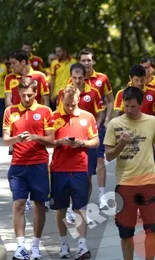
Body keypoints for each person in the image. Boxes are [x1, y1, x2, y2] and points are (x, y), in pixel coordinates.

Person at [104, 86, 155, 260]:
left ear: (140, 104)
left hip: (149, 182)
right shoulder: (115, 124)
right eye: (126, 106)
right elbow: (108, 156)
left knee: (153, 228)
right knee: (126, 232)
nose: (129, 110)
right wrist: (122, 144)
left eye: (133, 106)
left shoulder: (152, 122)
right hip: (125, 184)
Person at [2, 77, 54, 260]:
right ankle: (20, 247)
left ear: (36, 93)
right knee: (19, 204)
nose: (26, 98)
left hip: (39, 164)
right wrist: (17, 138)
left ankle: (35, 245)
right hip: (17, 166)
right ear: (18, 93)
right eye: (23, 95)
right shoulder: (10, 111)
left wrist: (34, 137)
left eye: (30, 95)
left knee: (39, 205)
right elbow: (6, 139)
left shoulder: (45, 111)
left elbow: (51, 140)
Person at [49, 84, 100, 260]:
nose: (69, 108)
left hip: (79, 168)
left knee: (80, 208)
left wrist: (82, 143)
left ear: (78, 100)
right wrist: (59, 141)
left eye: (72, 104)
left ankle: (82, 245)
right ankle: (63, 244)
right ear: (62, 100)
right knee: (60, 209)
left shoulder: (88, 117)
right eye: (67, 104)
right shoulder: (54, 116)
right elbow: (46, 142)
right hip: (59, 169)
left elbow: (96, 141)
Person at [57, 63, 105, 224]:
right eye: (74, 78)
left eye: (80, 78)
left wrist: (90, 134)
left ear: (86, 77)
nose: (77, 81)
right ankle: (71, 209)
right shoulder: (64, 93)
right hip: (67, 143)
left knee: (87, 177)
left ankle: (82, 207)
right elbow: (58, 115)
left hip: (86, 140)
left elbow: (100, 114)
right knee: (68, 177)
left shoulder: (94, 92)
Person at [76, 48, 114, 209]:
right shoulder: (74, 80)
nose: (86, 63)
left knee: (100, 160)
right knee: (83, 165)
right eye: (83, 60)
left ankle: (102, 195)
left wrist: (106, 119)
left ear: (93, 61)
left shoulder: (102, 79)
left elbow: (110, 100)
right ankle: (82, 199)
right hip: (80, 130)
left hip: (97, 127)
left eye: (88, 60)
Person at [49, 46, 77, 111]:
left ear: (65, 51)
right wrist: (52, 94)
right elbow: (52, 79)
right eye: (56, 52)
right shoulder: (54, 63)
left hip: (71, 92)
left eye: (59, 51)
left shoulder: (73, 62)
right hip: (58, 93)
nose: (57, 54)